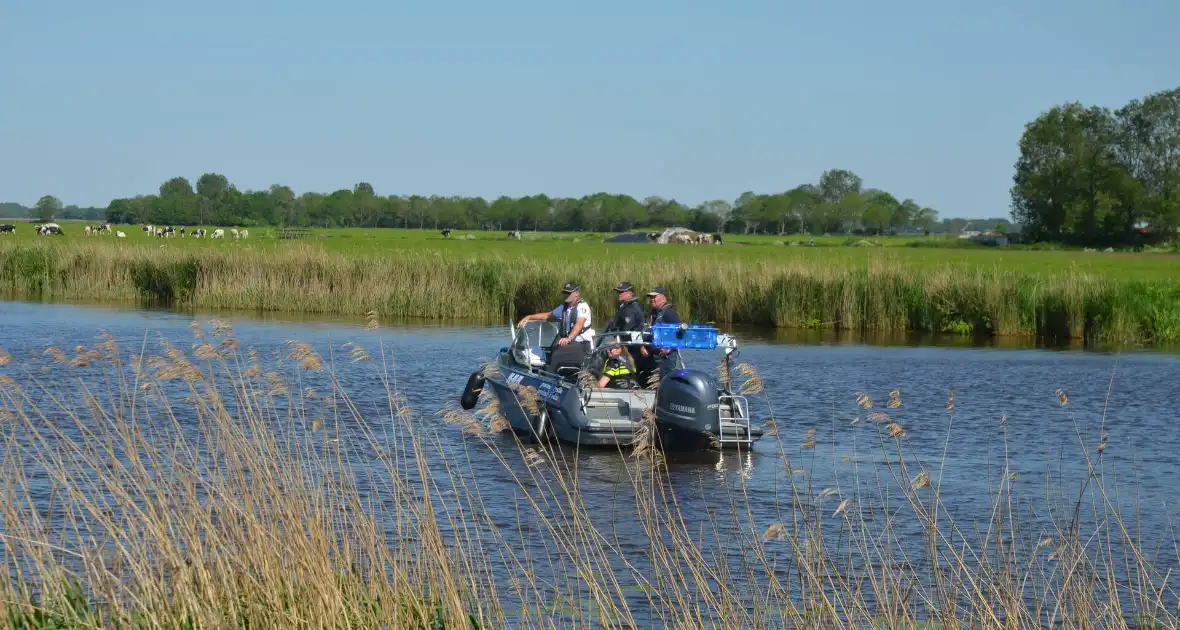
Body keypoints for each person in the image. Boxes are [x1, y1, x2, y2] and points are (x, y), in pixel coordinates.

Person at [516, 281, 595, 373]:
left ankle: (549, 376)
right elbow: (547, 316)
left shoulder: (582, 307)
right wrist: (529, 317)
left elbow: (579, 324)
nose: (565, 295)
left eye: (568, 293)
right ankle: (548, 372)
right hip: (571, 344)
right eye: (564, 293)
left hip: (583, 345)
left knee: (557, 354)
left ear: (576, 294)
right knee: (553, 348)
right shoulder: (564, 308)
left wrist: (569, 338)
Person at [641, 286, 682, 384]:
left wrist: (669, 348)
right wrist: (643, 346)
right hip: (653, 356)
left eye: (654, 297)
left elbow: (681, 333)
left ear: (663, 298)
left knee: (665, 382)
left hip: (666, 357)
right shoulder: (653, 314)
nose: (651, 299)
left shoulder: (669, 314)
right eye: (650, 297)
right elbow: (648, 332)